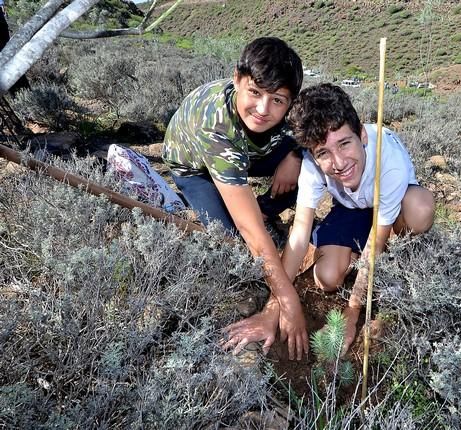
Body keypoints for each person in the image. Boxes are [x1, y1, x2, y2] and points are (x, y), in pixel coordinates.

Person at [226, 83, 435, 356]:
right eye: (323, 153)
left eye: (345, 143)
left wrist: (351, 313)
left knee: (420, 209)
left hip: (393, 208)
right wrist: (273, 308)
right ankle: (347, 254)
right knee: (326, 278)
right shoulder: (312, 166)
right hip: (351, 207)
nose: (338, 163)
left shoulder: (389, 161)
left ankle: (397, 252)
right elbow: (299, 234)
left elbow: (376, 243)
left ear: (361, 135)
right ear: (312, 154)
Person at [162, 37, 309, 360]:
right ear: (237, 79)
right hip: (195, 167)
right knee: (232, 240)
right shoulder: (215, 124)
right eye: (254, 92)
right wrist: (288, 302)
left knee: (313, 166)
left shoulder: (288, 109)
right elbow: (250, 232)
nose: (263, 108)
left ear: (291, 100)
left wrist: (297, 155)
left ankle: (260, 206)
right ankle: (210, 200)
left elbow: (327, 127)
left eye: (278, 100)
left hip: (252, 154)